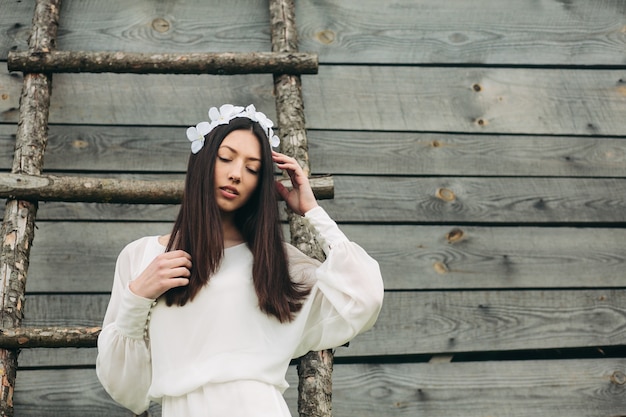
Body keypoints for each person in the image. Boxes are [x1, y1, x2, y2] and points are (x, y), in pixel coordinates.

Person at [96, 104, 384, 416]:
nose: (236, 174)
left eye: (252, 169)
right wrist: (137, 297)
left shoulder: (275, 264)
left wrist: (313, 212)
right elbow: (126, 389)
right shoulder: (142, 258)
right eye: (226, 158)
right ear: (204, 161)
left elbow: (364, 299)